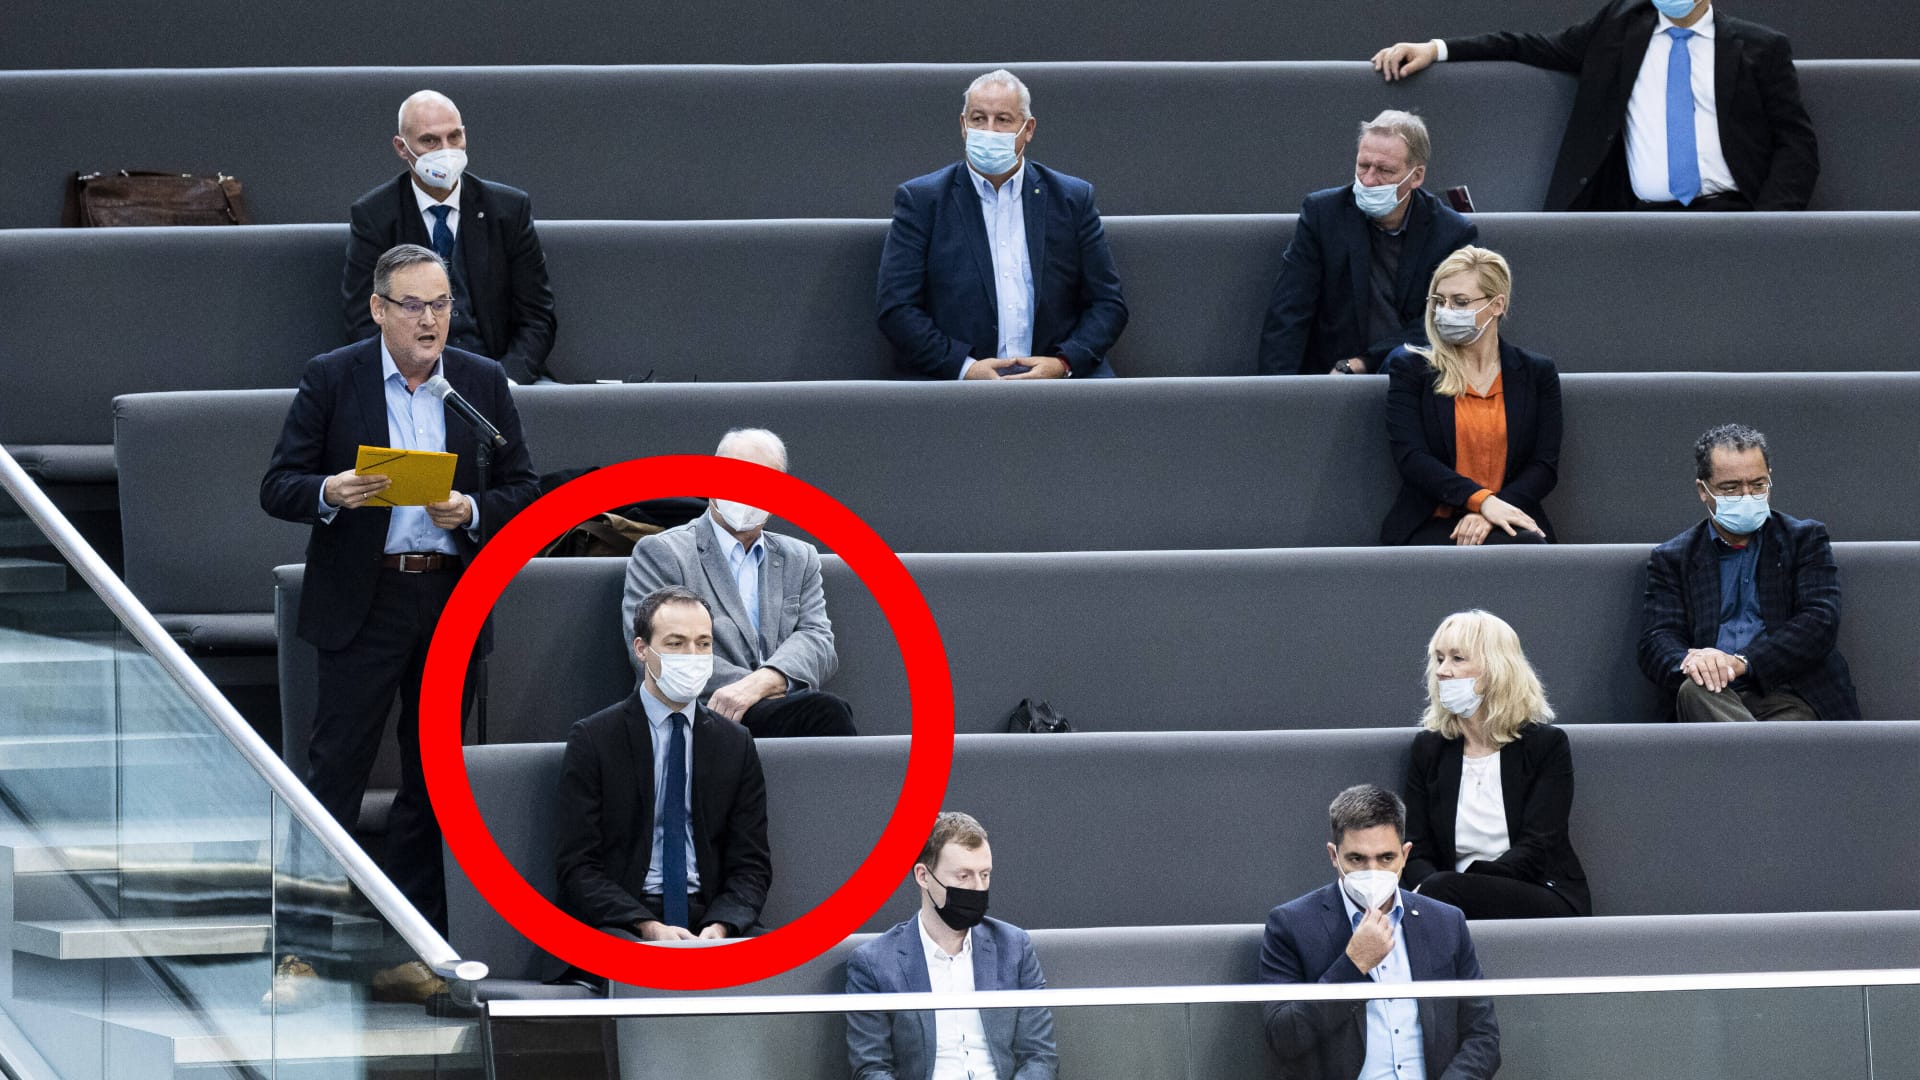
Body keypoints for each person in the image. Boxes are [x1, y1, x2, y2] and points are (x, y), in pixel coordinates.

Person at [260, 242, 539, 998]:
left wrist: (474, 509)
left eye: (441, 304)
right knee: (333, 780)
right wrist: (331, 490)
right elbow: (277, 486)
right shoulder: (333, 377)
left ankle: (409, 954)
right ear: (379, 309)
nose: (430, 320)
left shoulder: (478, 383)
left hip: (447, 597)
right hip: (365, 600)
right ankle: (301, 951)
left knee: (433, 784)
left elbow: (523, 485)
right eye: (413, 305)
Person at [1370, 0, 1819, 211]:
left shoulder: (1761, 47)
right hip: (1640, 217)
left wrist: (1770, 225)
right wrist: (1437, 47)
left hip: (1732, 215)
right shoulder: (1619, 28)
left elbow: (1795, 143)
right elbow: (1528, 46)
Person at [554, 586, 772, 958]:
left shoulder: (735, 744)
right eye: (676, 643)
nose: (692, 656)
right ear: (642, 649)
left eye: (703, 644)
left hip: (709, 917)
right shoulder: (594, 738)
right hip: (623, 919)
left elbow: (751, 865)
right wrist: (647, 927)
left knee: (779, 968)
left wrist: (721, 926)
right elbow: (578, 867)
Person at [877, 68, 1129, 380]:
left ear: (1028, 129)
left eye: (1003, 120)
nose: (989, 131)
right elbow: (897, 308)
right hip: (953, 380)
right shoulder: (922, 201)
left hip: (1058, 378)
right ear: (963, 126)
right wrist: (965, 368)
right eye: (978, 119)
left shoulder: (1071, 198)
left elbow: (1108, 304)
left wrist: (1062, 363)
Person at [619, 428, 856, 738]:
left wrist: (760, 684)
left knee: (827, 714)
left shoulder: (800, 557)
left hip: (774, 705)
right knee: (826, 713)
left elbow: (818, 643)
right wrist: (750, 691)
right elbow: (657, 650)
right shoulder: (664, 552)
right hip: (699, 710)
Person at [1259, 785, 1500, 1080]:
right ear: (1334, 856)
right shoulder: (1291, 925)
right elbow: (1283, 1038)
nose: (1372, 871)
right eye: (1357, 859)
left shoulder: (1445, 922)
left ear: (1405, 854)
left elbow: (1483, 1036)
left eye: (1386, 858)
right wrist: (1353, 965)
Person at [1637, 424, 1859, 722]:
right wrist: (1693, 664)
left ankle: (1751, 757)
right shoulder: (1674, 557)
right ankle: (1760, 757)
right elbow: (1656, 639)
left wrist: (1742, 663)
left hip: (1788, 693)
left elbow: (1818, 622)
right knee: (1692, 691)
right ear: (1703, 490)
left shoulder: (1804, 540)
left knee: (1785, 731)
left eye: (1758, 485)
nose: (1747, 496)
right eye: (1731, 488)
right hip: (1712, 693)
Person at [343, 90, 559, 383]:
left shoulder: (508, 210)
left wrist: (505, 380)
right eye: (429, 141)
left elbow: (537, 316)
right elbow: (365, 319)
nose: (446, 150)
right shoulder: (375, 216)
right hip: (414, 380)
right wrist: (417, 380)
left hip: (499, 375)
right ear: (402, 147)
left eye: (454, 137)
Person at [1258, 111, 1479, 376]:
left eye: (1385, 170)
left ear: (1417, 176)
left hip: (1410, 378)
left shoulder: (1452, 233)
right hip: (1329, 378)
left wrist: (1365, 362)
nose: (1369, 180)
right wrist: (1276, 397)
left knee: (1410, 360)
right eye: (1363, 166)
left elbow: (1443, 322)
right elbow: (1289, 310)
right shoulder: (1323, 214)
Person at [1403, 611, 1591, 919]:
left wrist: (1461, 883)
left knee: (1438, 894)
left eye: (1457, 659)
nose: (1443, 671)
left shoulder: (1546, 745)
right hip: (1447, 896)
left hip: (1538, 889)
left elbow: (1538, 845)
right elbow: (1417, 847)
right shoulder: (1429, 749)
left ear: (1496, 670)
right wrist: (1432, 887)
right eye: (1439, 659)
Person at [846, 811, 1057, 1080]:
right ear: (923, 876)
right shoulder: (874, 964)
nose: (978, 888)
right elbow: (871, 1070)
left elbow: (1040, 1057)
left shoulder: (1014, 948)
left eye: (985, 874)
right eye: (963, 876)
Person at [1382, 247, 1561, 546]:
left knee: (1524, 545)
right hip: (1432, 521)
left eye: (1460, 302)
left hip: (1508, 517)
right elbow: (1412, 458)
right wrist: (1481, 501)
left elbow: (1544, 466)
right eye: (1439, 301)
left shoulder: (1536, 372)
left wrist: (1491, 510)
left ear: (1496, 305)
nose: (1445, 311)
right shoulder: (1412, 368)